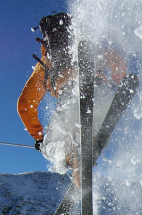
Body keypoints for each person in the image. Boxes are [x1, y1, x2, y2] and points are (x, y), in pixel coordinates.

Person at [17, 12, 128, 187]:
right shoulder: (91, 47)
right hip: (100, 92)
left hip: (70, 99)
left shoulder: (46, 63)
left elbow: (25, 104)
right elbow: (119, 61)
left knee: (52, 146)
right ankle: (89, 140)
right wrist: (117, 80)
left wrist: (38, 138)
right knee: (100, 130)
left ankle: (69, 152)